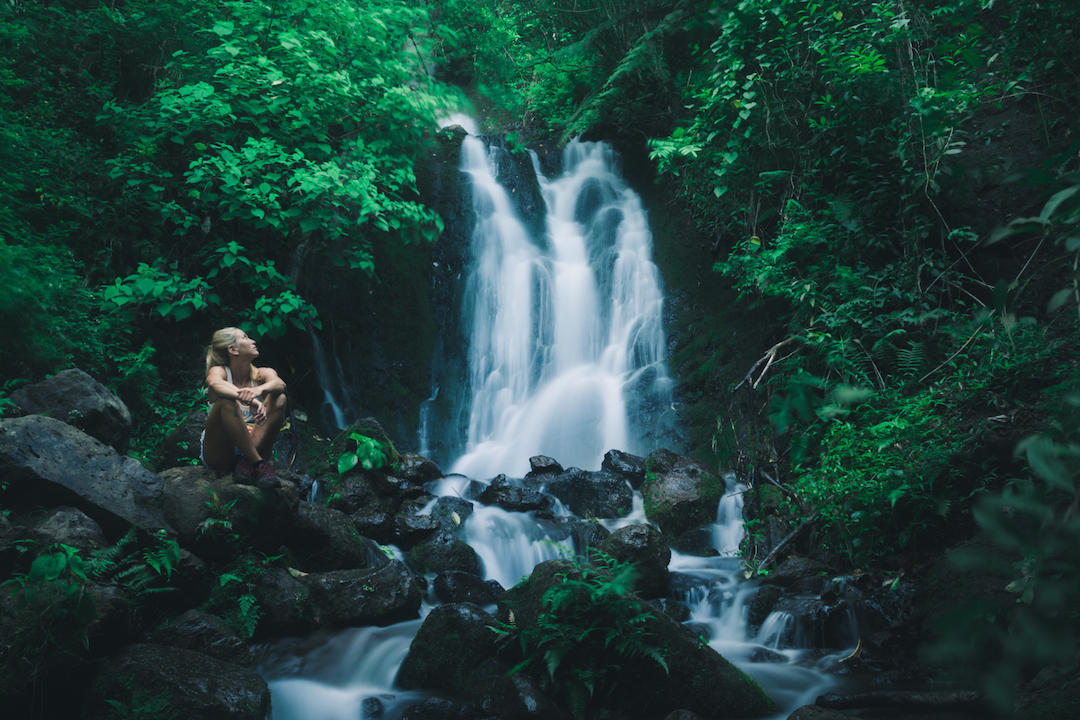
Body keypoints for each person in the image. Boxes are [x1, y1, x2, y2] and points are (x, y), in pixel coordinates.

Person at [202, 327, 287, 484]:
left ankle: (248, 463)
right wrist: (250, 400)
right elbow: (214, 384)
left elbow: (280, 384)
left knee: (279, 398)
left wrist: (257, 391)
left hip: (253, 444)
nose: (253, 341)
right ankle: (258, 463)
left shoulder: (262, 373)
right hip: (220, 452)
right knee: (226, 400)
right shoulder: (219, 371)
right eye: (245, 337)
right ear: (233, 349)